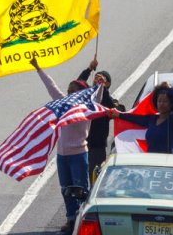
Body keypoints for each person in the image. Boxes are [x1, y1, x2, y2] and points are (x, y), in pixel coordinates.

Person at [31, 57, 91, 234]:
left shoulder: (88, 107)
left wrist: (101, 85)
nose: (69, 94)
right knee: (66, 190)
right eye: (69, 90)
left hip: (79, 154)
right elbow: (51, 87)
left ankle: (82, 221)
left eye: (74, 91)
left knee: (81, 190)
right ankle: (71, 219)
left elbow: (97, 96)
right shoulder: (63, 104)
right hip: (62, 155)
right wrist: (38, 67)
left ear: (81, 94)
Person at [108, 81, 173, 153]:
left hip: (165, 164)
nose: (161, 104)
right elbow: (134, 118)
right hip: (149, 161)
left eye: (165, 101)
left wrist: (169, 89)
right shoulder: (152, 119)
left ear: (171, 104)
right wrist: (119, 114)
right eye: (159, 101)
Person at [77, 60, 123, 177]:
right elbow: (78, 84)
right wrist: (89, 69)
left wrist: (102, 88)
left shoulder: (109, 100)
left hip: (97, 146)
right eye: (96, 77)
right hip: (81, 143)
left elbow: (113, 107)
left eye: (102, 79)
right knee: (80, 175)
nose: (97, 80)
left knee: (95, 175)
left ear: (107, 84)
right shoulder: (86, 96)